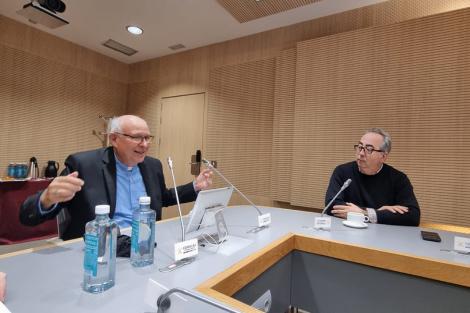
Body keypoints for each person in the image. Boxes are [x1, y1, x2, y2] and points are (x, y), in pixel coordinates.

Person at [20, 115, 213, 240]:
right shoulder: (84, 165)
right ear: (114, 139)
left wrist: (195, 186)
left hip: (145, 243)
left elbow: (164, 198)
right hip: (99, 248)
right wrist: (46, 199)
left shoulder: (153, 165)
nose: (145, 144)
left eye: (148, 138)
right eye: (137, 137)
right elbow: (27, 217)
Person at [325, 128, 420, 226]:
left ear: (383, 156)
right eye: (360, 147)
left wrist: (365, 214)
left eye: (369, 149)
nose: (361, 153)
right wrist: (378, 212)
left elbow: (413, 216)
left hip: (382, 236)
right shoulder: (342, 171)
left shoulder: (399, 179)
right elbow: (332, 206)